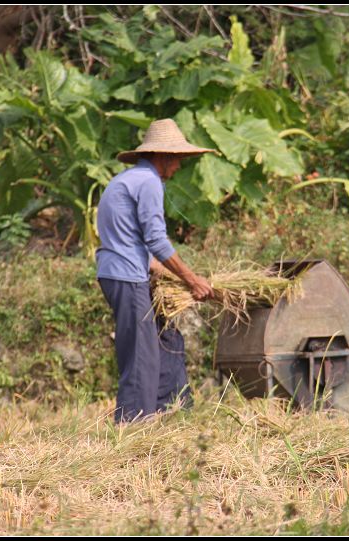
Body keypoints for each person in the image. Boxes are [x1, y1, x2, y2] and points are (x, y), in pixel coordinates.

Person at [96, 118, 215, 424]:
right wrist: (192, 280)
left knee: (166, 339)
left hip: (121, 270)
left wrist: (164, 272)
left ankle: (171, 411)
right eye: (177, 160)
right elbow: (156, 240)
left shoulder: (129, 179)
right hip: (126, 275)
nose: (178, 167)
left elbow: (131, 238)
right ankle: (133, 427)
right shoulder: (148, 182)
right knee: (141, 356)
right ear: (164, 156)